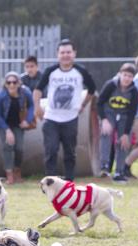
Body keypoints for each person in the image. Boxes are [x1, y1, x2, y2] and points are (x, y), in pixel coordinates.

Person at [35, 39, 96, 181]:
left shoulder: (81, 71)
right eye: (62, 52)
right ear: (58, 54)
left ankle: (69, 182)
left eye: (68, 52)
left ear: (74, 53)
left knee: (69, 152)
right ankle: (50, 181)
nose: (65, 55)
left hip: (70, 119)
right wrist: (37, 107)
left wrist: (83, 105)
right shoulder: (51, 71)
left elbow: (92, 90)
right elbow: (38, 90)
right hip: (51, 118)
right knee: (51, 150)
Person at [97, 63, 138, 183]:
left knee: (124, 141)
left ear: (133, 78)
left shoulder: (133, 91)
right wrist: (104, 119)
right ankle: (104, 166)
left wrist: (126, 133)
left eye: (130, 76)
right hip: (109, 113)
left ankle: (119, 171)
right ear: (120, 74)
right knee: (106, 133)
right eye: (125, 75)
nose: (127, 78)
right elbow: (100, 102)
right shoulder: (111, 85)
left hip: (124, 116)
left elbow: (132, 113)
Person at [0, 71, 34, 184]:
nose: (12, 85)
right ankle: (9, 174)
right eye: (9, 82)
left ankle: (17, 171)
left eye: (14, 82)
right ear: (5, 84)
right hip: (4, 125)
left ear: (19, 83)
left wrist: (27, 120)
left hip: (18, 124)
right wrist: (7, 131)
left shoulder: (25, 92)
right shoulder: (0, 96)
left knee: (19, 148)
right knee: (8, 146)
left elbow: (31, 106)